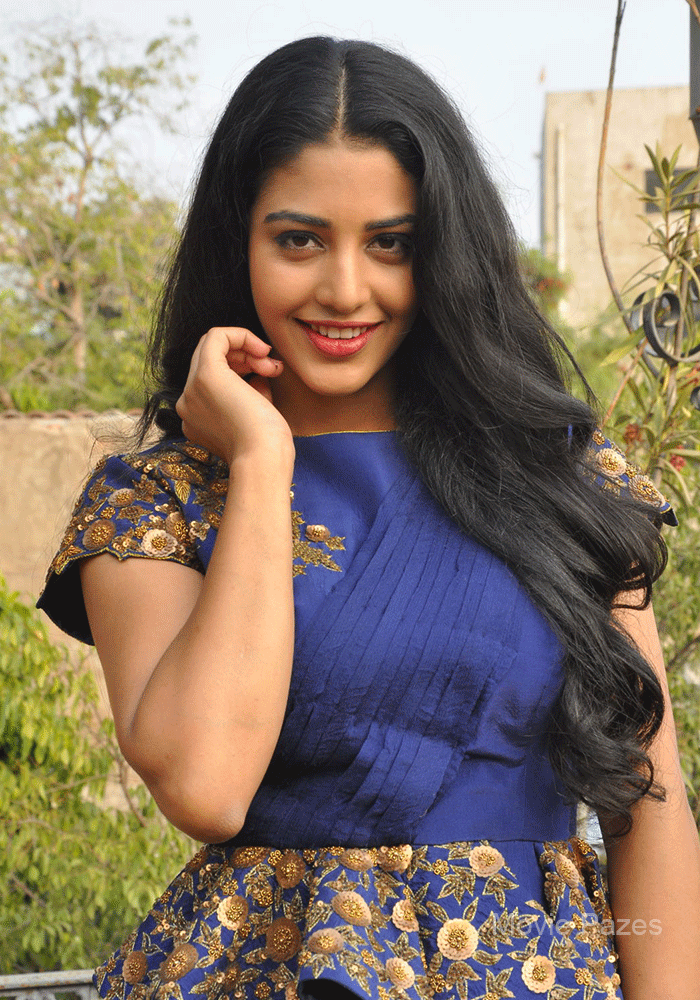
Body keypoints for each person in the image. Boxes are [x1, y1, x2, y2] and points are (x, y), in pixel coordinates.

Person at [38, 35, 700, 1000]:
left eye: (391, 243)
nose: (346, 289)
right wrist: (260, 462)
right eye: (299, 240)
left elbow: (654, 806)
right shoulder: (155, 503)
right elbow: (206, 787)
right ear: (239, 239)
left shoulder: (566, 482)